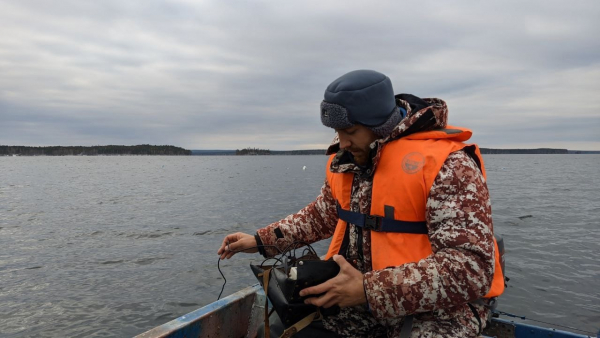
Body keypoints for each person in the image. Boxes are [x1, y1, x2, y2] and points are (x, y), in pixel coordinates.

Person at [217, 70, 504, 338]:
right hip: (357, 300)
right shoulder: (349, 160)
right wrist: (258, 241)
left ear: (380, 125)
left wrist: (367, 290)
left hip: (438, 311)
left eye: (350, 131)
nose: (342, 143)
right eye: (338, 132)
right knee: (282, 332)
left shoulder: (449, 165)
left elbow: (471, 269)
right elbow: (321, 216)